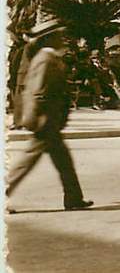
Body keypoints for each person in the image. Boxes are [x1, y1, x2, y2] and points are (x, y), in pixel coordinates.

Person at [6, 18, 93, 212]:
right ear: (48, 39)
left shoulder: (49, 57)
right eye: (58, 36)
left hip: (49, 120)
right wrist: (41, 117)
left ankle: (74, 198)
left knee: (63, 161)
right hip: (45, 121)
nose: (62, 38)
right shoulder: (46, 59)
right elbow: (38, 91)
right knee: (26, 163)